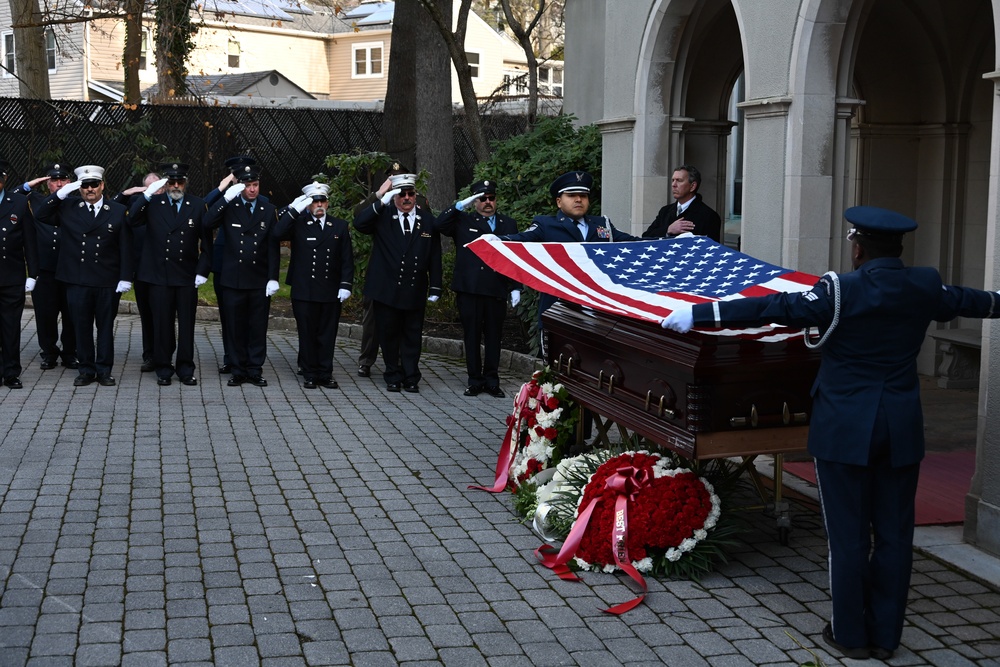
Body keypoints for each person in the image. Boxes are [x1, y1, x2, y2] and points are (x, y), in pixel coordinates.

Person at [661, 206, 1000, 662]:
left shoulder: (840, 290)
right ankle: (886, 636)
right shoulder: (922, 285)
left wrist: (702, 313)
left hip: (845, 427)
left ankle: (850, 635)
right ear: (898, 249)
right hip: (899, 426)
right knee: (896, 535)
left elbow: (775, 307)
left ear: (857, 248)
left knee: (848, 535)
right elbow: (973, 301)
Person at [493, 170, 640, 331]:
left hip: (598, 312)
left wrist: (668, 240)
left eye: (583, 196)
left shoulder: (602, 225)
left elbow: (633, 243)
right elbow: (523, 238)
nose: (578, 199)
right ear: (559, 202)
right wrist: (499, 239)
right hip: (559, 311)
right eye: (571, 195)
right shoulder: (546, 225)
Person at [34, 165, 133, 387]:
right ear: (79, 188)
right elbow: (41, 214)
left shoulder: (116, 210)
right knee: (82, 326)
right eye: (85, 185)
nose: (90, 189)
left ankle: (104, 370)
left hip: (107, 280)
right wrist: (60, 194)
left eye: (94, 185)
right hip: (77, 280)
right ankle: (86, 369)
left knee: (105, 327)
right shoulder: (68, 207)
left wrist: (125, 276)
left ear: (102, 186)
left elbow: (125, 246)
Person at [353, 172, 441, 393]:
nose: (407, 198)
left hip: (414, 288)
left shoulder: (427, 221)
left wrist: (436, 286)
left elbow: (434, 256)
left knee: (412, 335)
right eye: (401, 194)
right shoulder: (382, 215)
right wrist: (380, 197)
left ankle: (411, 376)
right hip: (385, 289)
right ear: (394, 196)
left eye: (410, 194)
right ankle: (392, 374)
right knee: (388, 335)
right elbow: (359, 223)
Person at [127, 163, 212, 386]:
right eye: (171, 182)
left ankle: (185, 368)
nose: (176, 186)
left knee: (186, 325)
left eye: (180, 182)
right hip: (159, 275)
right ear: (165, 183)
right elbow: (132, 219)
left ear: (185, 183)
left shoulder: (198, 204)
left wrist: (202, 271)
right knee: (162, 324)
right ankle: (163, 368)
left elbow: (207, 243)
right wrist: (145, 194)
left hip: (186, 275)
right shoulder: (153, 203)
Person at [435, 179, 519, 398]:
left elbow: (514, 258)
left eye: (491, 198)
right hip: (470, 289)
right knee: (472, 336)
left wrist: (515, 287)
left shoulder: (508, 224)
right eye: (482, 199)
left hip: (495, 288)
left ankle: (492, 380)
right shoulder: (463, 220)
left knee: (494, 337)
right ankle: (474, 380)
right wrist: (460, 205)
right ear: (475, 202)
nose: (487, 202)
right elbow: (439, 225)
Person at [204, 163, 279, 387]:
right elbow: (206, 222)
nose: (252, 189)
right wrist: (226, 199)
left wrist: (273, 276)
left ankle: (254, 369)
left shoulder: (267, 209)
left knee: (257, 326)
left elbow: (273, 246)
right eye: (248, 185)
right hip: (233, 277)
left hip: (258, 277)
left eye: (255, 184)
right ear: (240, 186)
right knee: (235, 326)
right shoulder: (230, 205)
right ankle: (237, 369)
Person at [275, 182, 353, 390]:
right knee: (307, 333)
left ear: (327, 203)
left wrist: (346, 284)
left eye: (322, 201)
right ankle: (309, 372)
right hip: (304, 289)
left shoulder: (339, 226)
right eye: (314, 201)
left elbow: (346, 259)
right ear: (309, 204)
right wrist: (293, 209)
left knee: (327, 334)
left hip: (330, 289)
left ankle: (325, 373)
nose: (319, 205)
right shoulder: (299, 223)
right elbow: (277, 232)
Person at [353, 162, 416, 379]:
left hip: (404, 273)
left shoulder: (414, 200)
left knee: (400, 320)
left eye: (399, 178)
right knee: (372, 320)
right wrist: (379, 194)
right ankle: (366, 360)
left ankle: (397, 361)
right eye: (391, 179)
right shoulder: (382, 203)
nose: (395, 184)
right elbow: (358, 217)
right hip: (380, 272)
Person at [14, 163, 77, 371]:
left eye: (63, 180)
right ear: (46, 183)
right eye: (54, 180)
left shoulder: (78, 202)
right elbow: (10, 198)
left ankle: (70, 352)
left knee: (72, 313)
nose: (59, 184)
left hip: (70, 267)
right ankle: (49, 352)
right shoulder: (35, 201)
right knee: (45, 313)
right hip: (45, 268)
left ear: (70, 182)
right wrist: (27, 185)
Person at [113, 172, 163, 372]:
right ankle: (149, 355)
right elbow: (111, 209)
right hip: (142, 272)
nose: (154, 191)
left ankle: (164, 354)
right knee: (147, 315)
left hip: (164, 271)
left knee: (163, 315)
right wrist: (127, 193)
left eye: (158, 187)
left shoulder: (169, 204)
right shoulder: (135, 204)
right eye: (148, 187)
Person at [0, 160, 37, 389]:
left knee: (11, 327)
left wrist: (32, 274)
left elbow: (30, 242)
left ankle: (11, 372)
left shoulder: (19, 202)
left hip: (11, 277)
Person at [641, 165, 722, 242]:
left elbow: (712, 250)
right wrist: (668, 230)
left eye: (679, 180)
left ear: (692, 186)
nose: (673, 185)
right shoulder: (665, 211)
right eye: (673, 180)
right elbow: (646, 237)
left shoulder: (709, 216)